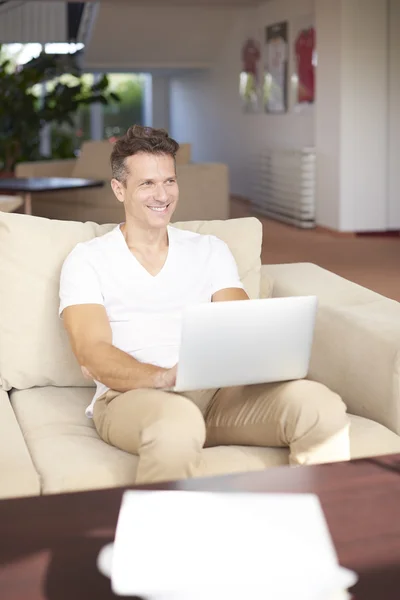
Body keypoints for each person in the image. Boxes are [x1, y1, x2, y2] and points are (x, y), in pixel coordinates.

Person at [59, 125, 350, 484]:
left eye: (169, 181)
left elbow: (242, 324)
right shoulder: (88, 259)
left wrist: (273, 350)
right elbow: (92, 352)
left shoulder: (209, 249)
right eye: (147, 183)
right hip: (132, 397)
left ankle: (322, 529)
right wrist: (161, 377)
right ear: (120, 189)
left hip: (217, 396)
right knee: (177, 425)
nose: (162, 195)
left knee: (321, 407)